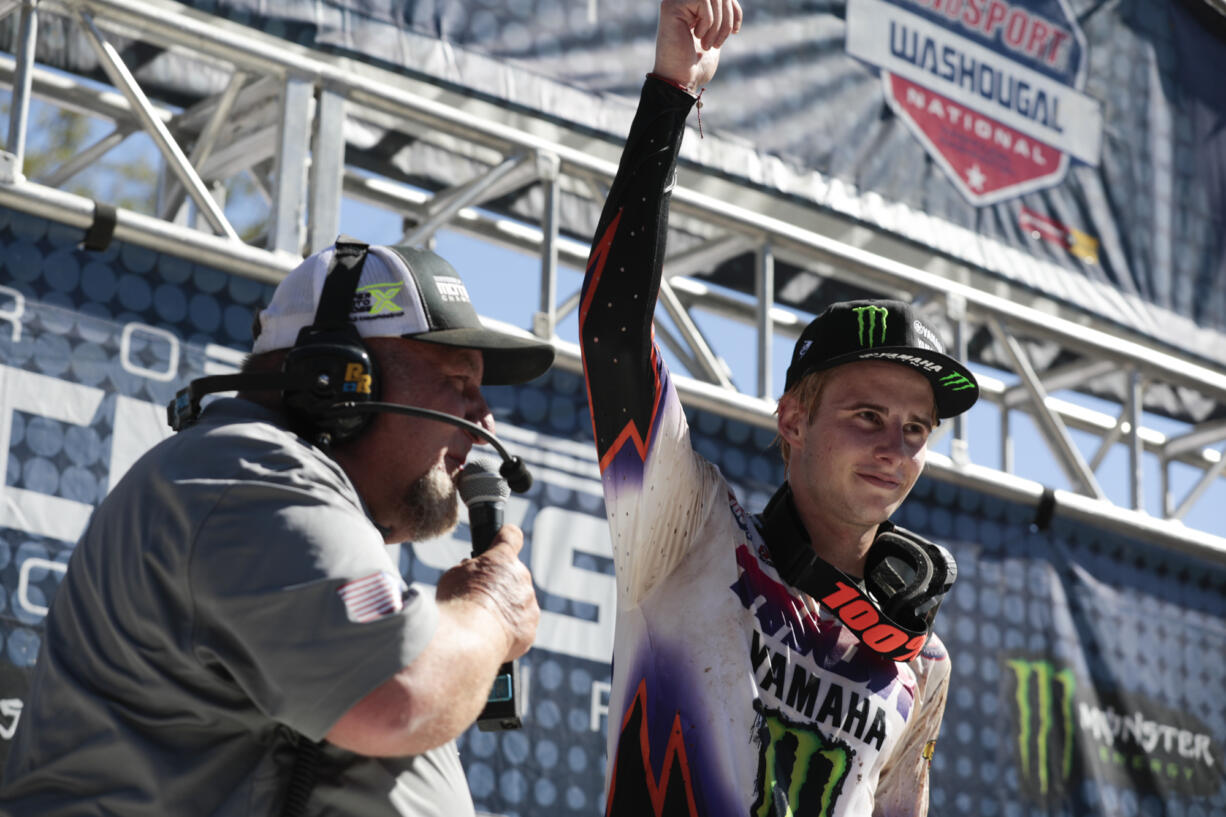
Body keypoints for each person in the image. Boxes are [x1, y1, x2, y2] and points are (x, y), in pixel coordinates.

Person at [579, 2, 980, 815]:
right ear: (791, 419)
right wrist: (671, 93)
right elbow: (613, 333)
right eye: (866, 416)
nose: (894, 449)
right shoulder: (688, 529)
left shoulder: (921, 663)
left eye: (915, 430)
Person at [0, 239, 554, 816]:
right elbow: (400, 696)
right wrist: (490, 610)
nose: (484, 418)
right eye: (458, 381)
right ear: (339, 379)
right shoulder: (252, 473)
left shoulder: (271, 484)